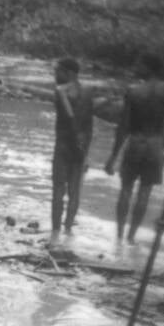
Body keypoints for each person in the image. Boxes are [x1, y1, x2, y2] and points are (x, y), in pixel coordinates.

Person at [104, 54, 164, 244]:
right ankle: (131, 237)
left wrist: (113, 156)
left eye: (140, 64)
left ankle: (119, 235)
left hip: (135, 142)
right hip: (155, 145)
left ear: (148, 67)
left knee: (126, 189)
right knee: (144, 192)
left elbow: (123, 127)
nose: (136, 67)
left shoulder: (133, 90)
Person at [50, 57, 93, 244]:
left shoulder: (60, 91)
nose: (55, 76)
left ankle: (55, 233)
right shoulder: (88, 93)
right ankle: (68, 231)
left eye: (57, 72)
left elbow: (70, 118)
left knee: (58, 190)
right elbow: (89, 126)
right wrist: (86, 152)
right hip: (81, 146)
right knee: (75, 191)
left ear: (69, 73)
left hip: (64, 145)